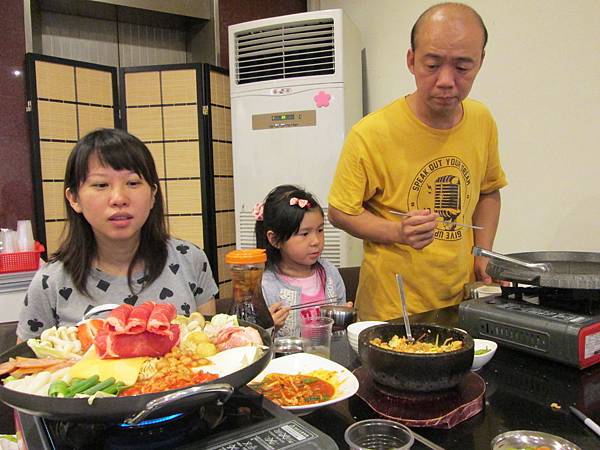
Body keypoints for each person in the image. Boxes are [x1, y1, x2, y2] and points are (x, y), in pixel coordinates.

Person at [328, 2, 508, 321]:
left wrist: (483, 252)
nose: (446, 80)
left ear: (480, 61)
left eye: (462, 67)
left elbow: (488, 191)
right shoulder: (371, 133)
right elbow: (341, 211)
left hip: (459, 302)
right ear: (411, 60)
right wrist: (398, 231)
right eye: (432, 65)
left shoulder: (482, 121)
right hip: (391, 311)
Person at [17, 128, 218, 341]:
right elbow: (25, 359)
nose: (119, 198)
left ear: (153, 194)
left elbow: (209, 348)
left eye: (133, 183)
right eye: (101, 185)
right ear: (74, 198)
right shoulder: (50, 281)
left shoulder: (190, 260)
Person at [254, 185, 348, 337]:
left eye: (320, 230)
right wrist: (268, 327)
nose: (316, 241)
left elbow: (340, 333)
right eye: (304, 234)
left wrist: (345, 318)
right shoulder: (266, 285)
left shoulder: (330, 273)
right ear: (275, 239)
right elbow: (255, 342)